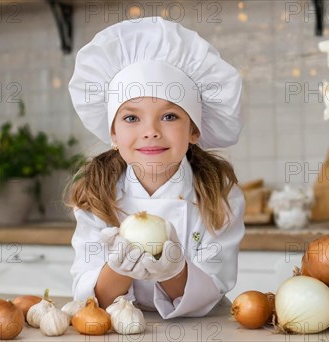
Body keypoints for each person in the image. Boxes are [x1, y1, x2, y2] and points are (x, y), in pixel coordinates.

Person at [67, 16, 245, 319]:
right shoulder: (95, 194)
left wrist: (172, 269)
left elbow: (209, 294)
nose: (150, 131)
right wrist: (119, 268)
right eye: (131, 118)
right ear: (112, 133)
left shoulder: (219, 195)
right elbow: (91, 299)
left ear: (194, 131)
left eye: (170, 116)